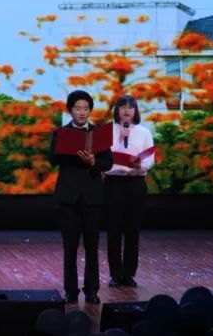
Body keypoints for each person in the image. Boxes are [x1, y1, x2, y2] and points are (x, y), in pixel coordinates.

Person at [49, 89, 112, 304]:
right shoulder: (61, 133)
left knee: (92, 247)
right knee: (70, 247)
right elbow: (52, 158)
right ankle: (71, 291)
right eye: (78, 108)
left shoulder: (99, 133)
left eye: (86, 108)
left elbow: (108, 162)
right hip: (68, 198)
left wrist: (94, 162)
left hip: (92, 198)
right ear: (70, 110)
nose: (82, 112)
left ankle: (91, 290)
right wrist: (72, 153)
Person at [105, 94, 154, 287]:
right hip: (113, 183)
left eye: (130, 107)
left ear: (135, 111)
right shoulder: (107, 131)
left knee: (132, 231)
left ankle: (129, 274)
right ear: (117, 110)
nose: (126, 110)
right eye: (123, 107)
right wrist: (121, 138)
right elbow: (104, 158)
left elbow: (150, 158)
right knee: (114, 230)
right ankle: (115, 274)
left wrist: (140, 166)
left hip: (135, 183)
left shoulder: (144, 132)